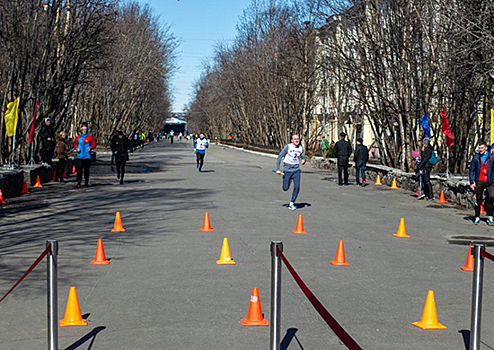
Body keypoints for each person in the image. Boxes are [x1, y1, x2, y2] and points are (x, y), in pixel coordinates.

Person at [276, 134, 306, 210]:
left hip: (296, 170)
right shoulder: (288, 147)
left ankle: (292, 203)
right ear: (292, 140)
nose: (297, 140)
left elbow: (303, 157)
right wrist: (278, 169)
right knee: (285, 188)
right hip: (287, 170)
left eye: (298, 139)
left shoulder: (300, 148)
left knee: (297, 187)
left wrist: (303, 160)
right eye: (295, 139)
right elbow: (279, 157)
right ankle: (286, 180)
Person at [469, 142, 494, 225]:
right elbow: (472, 170)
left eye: (482, 148)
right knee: (478, 199)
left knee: (491, 196)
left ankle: (490, 216)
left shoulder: (491, 157)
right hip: (479, 180)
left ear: (486, 148)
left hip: (489, 180)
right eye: (479, 148)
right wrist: (472, 182)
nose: (480, 150)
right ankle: (477, 216)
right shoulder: (476, 158)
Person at [74, 123, 96, 188]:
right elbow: (75, 144)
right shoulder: (78, 137)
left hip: (87, 156)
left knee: (86, 170)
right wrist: (77, 148)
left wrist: (90, 147)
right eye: (83, 129)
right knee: (79, 170)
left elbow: (94, 144)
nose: (84, 131)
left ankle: (86, 182)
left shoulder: (89, 137)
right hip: (80, 156)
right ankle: (79, 182)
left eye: (85, 129)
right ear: (81, 130)